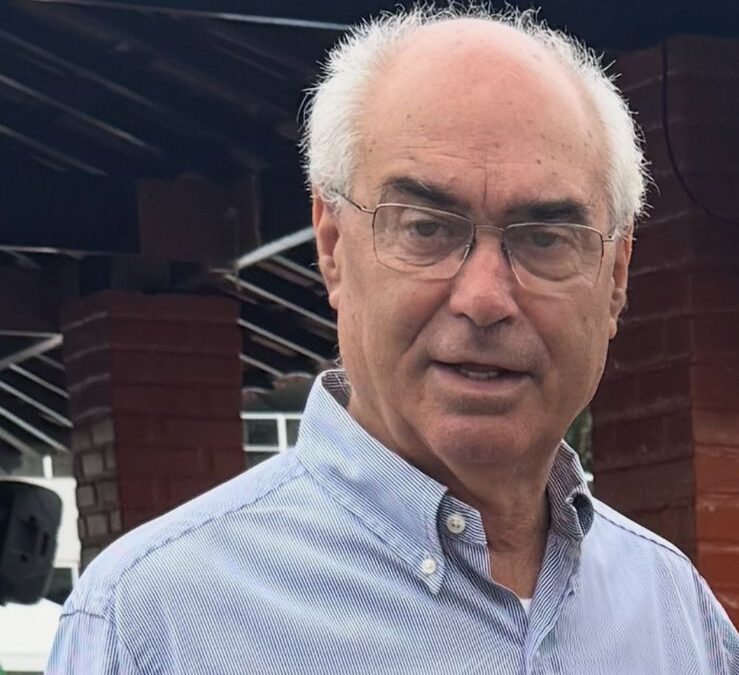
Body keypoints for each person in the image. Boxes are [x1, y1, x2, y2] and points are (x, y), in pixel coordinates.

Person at [47, 6, 738, 674]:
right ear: (332, 246)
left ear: (615, 274)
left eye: (545, 238)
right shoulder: (152, 625)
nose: (484, 299)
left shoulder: (676, 613)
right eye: (426, 228)